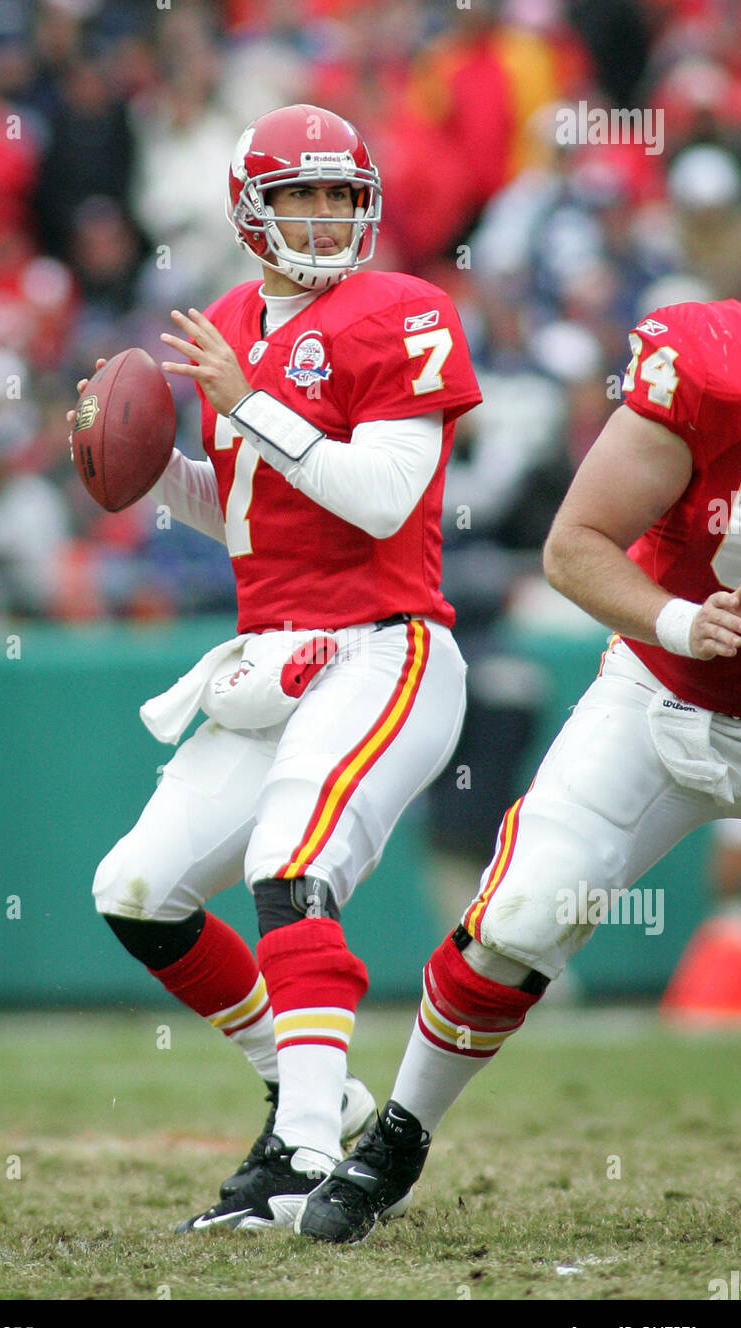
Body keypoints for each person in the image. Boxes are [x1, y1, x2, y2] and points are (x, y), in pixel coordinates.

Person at [78, 105, 482, 1231]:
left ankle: (301, 1155)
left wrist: (248, 400)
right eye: (298, 195)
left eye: (339, 194)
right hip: (272, 653)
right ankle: (310, 1086)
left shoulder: (402, 310)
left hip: (384, 646)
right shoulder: (225, 321)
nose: (322, 215)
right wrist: (145, 467)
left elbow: (382, 495)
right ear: (251, 211)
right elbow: (251, 510)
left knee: (289, 863)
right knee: (136, 889)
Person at [298, 295, 741, 1243]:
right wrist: (680, 620)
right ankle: (397, 1137)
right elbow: (572, 546)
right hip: (666, 694)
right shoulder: (709, 371)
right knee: (521, 916)